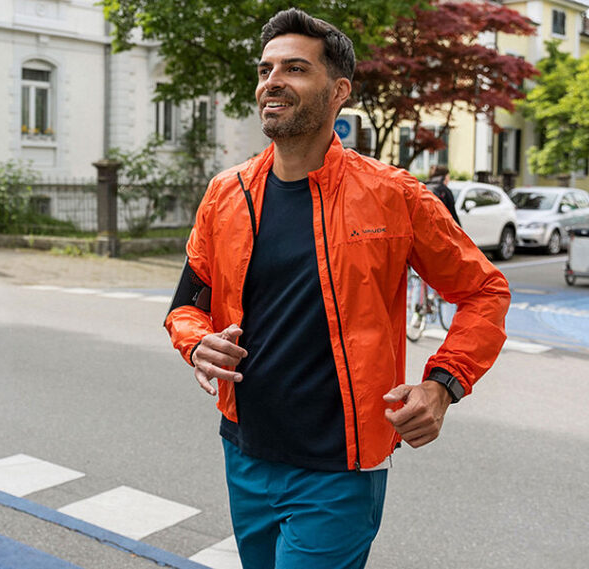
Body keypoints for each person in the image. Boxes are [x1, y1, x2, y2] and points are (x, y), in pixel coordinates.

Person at [164, 9, 510, 568]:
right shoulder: (226, 193)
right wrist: (195, 342)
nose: (271, 81)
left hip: (340, 471)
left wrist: (443, 385)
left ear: (338, 91)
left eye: (295, 68)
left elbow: (484, 292)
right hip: (244, 451)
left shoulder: (394, 195)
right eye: (265, 68)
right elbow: (187, 304)